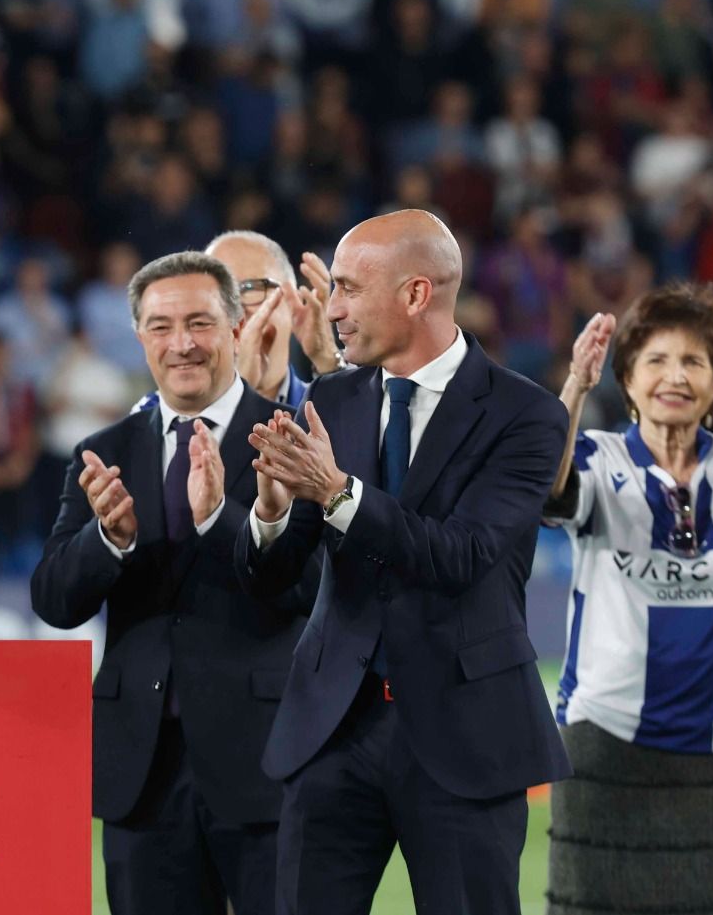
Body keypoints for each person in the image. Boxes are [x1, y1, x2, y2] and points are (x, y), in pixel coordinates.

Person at [236, 210, 571, 915]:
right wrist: (269, 512)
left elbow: (461, 555)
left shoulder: (526, 415)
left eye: (351, 289)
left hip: (463, 736)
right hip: (331, 728)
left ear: (416, 294)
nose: (332, 310)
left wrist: (335, 491)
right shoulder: (331, 397)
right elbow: (279, 575)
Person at [33, 251, 316, 915]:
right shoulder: (103, 450)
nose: (181, 343)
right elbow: (52, 598)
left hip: (264, 765)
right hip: (142, 774)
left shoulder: (289, 440)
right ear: (139, 336)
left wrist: (223, 518)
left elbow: (309, 588)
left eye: (199, 322)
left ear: (236, 324)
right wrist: (108, 540)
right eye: (161, 326)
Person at [544, 288, 713, 915]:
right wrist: (574, 385)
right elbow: (545, 487)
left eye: (695, 362)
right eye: (656, 360)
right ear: (626, 378)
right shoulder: (597, 457)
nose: (674, 376)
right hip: (608, 753)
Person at [133, 232, 340, 416]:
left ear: (292, 300)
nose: (234, 309)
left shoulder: (326, 408)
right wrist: (238, 395)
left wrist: (329, 361)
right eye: (217, 296)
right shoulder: (157, 416)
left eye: (249, 289)